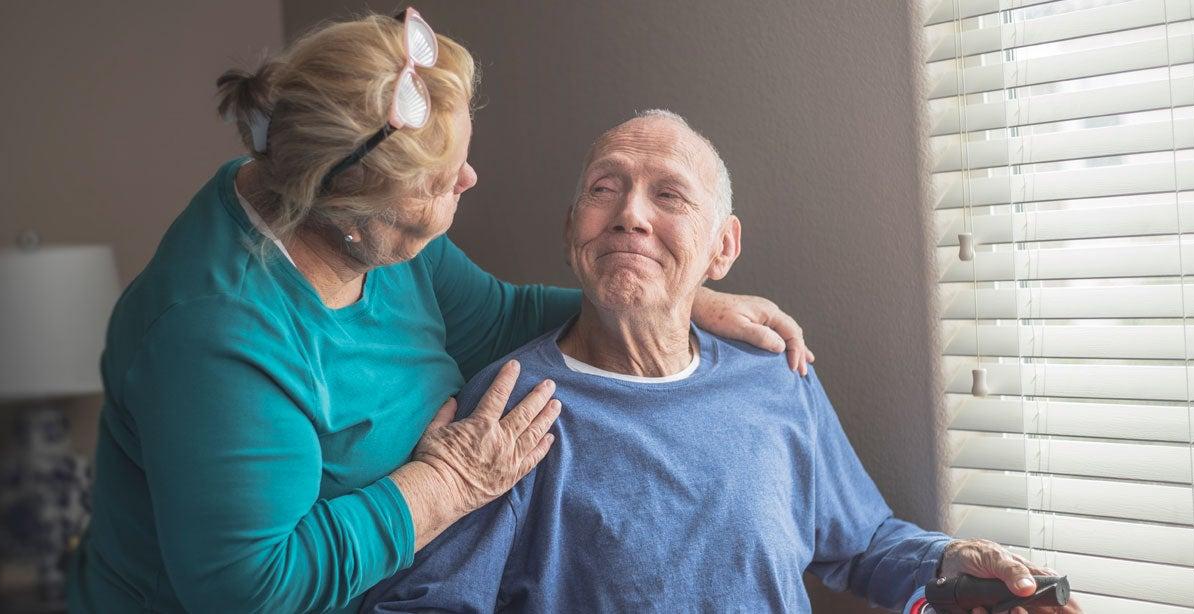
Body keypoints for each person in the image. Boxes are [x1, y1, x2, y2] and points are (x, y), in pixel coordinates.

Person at [66, 11, 815, 613]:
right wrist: (445, 485)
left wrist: (677, 298)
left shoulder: (339, 210)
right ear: (349, 208)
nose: (468, 176)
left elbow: (498, 316)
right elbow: (252, 586)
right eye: (437, 180)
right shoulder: (215, 334)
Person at [362, 111, 1082, 613]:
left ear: (723, 248)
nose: (630, 214)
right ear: (571, 229)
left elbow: (861, 542)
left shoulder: (775, 377)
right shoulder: (512, 408)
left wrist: (951, 562)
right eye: (604, 189)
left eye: (668, 194)